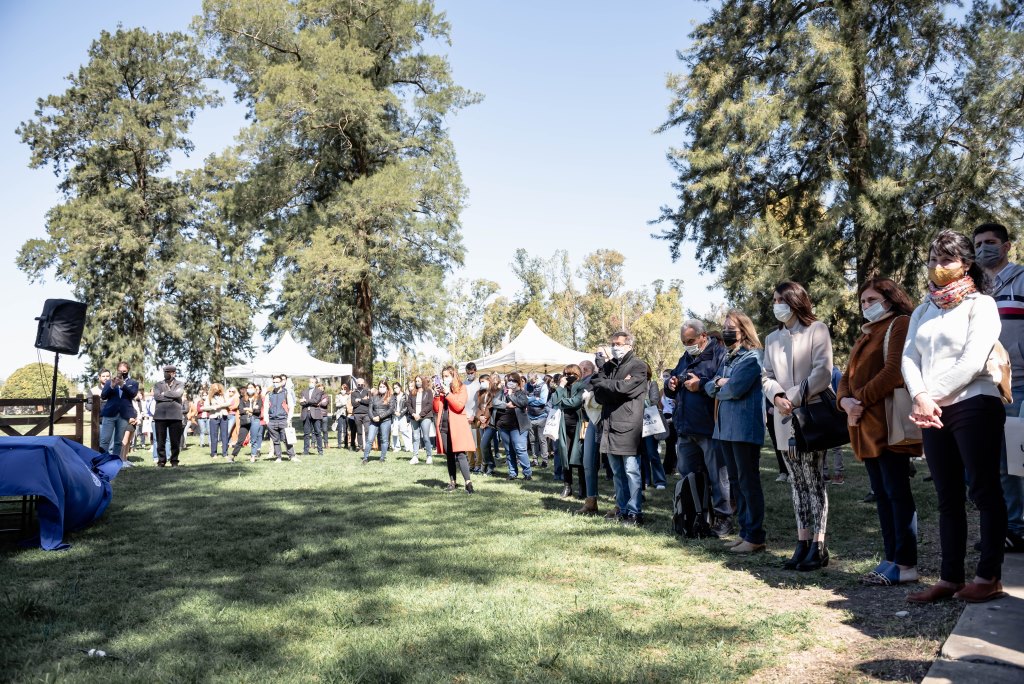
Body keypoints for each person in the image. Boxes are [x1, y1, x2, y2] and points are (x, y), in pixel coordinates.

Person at [904, 230, 1008, 603]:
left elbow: (973, 359)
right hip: (932, 410)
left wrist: (928, 397)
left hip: (973, 403)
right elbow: (909, 357)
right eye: (932, 259)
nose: (937, 267)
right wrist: (920, 396)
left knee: (983, 490)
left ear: (965, 264)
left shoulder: (981, 305)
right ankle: (949, 578)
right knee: (947, 495)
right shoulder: (923, 310)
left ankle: (988, 575)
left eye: (946, 260)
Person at [837, 278, 922, 585]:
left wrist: (858, 400)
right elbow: (846, 376)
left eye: (871, 299)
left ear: (890, 298)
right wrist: (845, 402)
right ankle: (890, 559)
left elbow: (895, 370)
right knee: (882, 496)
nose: (865, 306)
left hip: (889, 425)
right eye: (862, 302)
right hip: (865, 427)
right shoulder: (866, 334)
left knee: (898, 494)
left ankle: (907, 563)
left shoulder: (900, 323)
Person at [762, 281, 835, 571]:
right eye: (774, 299)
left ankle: (818, 544)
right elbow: (765, 374)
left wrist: (790, 397)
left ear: (795, 300)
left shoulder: (817, 329)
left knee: (813, 479)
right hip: (782, 418)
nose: (776, 304)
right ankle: (802, 540)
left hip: (810, 415)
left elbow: (823, 372)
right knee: (796, 481)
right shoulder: (771, 338)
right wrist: (776, 395)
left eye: (781, 298)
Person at [974, 222, 1024, 553]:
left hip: (1019, 384)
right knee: (995, 460)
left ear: (1006, 246)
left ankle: (1017, 526)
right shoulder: (973, 286)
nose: (983, 249)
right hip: (983, 385)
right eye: (977, 244)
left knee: (1017, 457)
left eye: (990, 242)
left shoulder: (1021, 279)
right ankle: (1009, 526)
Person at [706, 310, 767, 554]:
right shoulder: (727, 358)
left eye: (730, 326)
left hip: (744, 429)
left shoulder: (753, 357)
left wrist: (722, 385)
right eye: (724, 326)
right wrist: (720, 385)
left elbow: (737, 389)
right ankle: (744, 532)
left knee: (748, 482)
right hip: (724, 429)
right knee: (735, 483)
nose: (726, 330)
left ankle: (755, 535)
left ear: (743, 329)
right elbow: (711, 385)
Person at [664, 320, 732, 535]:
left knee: (718, 478)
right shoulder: (685, 358)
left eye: (691, 341)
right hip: (685, 428)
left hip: (711, 428)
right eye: (684, 341)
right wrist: (670, 385)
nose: (687, 345)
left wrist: (700, 384)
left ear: (704, 336)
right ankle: (695, 515)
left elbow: (724, 384)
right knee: (689, 475)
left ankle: (723, 517)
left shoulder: (720, 355)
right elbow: (672, 386)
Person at [591, 331, 648, 526]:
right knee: (617, 472)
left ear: (629, 345)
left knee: (632, 471)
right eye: (613, 343)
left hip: (629, 426)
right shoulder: (608, 366)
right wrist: (613, 385)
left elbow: (626, 389)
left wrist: (609, 386)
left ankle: (635, 512)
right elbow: (598, 393)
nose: (615, 347)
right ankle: (622, 509)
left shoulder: (639, 365)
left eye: (619, 343)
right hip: (609, 424)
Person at [434, 365, 476, 492]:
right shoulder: (442, 390)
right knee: (450, 455)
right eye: (443, 376)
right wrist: (437, 395)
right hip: (444, 426)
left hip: (457, 426)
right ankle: (452, 482)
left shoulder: (462, 388)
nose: (444, 378)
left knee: (461, 454)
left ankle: (468, 483)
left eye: (446, 376)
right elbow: (436, 408)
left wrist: (447, 393)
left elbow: (458, 406)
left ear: (453, 376)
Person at [551, 364, 587, 499]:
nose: (569, 376)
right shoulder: (562, 387)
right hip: (563, 425)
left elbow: (575, 402)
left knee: (579, 457)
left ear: (578, 375)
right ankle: (567, 486)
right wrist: (560, 387)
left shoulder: (582, 386)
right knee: (565, 456)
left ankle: (582, 488)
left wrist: (562, 402)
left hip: (578, 425)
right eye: (566, 374)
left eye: (572, 374)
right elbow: (554, 401)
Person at [494, 372, 532, 480]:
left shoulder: (521, 393)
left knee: (520, 449)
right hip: (503, 425)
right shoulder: (502, 392)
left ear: (518, 382)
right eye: (509, 380)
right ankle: (512, 473)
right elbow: (494, 402)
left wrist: (510, 395)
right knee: (509, 450)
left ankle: (527, 473)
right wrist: (506, 405)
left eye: (513, 380)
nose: (511, 382)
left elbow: (523, 403)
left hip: (518, 426)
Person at [99, 360, 139, 460]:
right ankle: (102, 460)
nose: (122, 373)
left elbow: (133, 394)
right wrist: (112, 386)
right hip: (110, 413)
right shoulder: (109, 382)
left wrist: (122, 385)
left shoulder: (133, 383)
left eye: (124, 371)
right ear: (117, 370)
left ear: (128, 370)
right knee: (105, 439)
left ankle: (115, 461)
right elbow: (103, 396)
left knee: (118, 440)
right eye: (120, 371)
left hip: (124, 415)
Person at [640, 365, 668, 490]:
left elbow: (654, 400)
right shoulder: (631, 384)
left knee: (652, 453)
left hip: (649, 421)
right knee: (641, 454)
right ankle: (646, 480)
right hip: (635, 423)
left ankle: (660, 480)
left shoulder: (652, 384)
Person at [152, 365, 186, 467]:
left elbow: (178, 395)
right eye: (165, 371)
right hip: (160, 416)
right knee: (160, 441)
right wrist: (171, 397)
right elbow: (157, 397)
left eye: (169, 372)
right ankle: (161, 461)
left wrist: (164, 394)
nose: (166, 373)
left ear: (174, 373)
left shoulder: (180, 384)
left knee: (175, 441)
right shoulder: (158, 384)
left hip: (175, 416)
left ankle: (174, 461)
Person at [263, 374, 299, 463]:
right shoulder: (269, 394)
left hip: (283, 420)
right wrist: (267, 420)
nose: (275, 383)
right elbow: (266, 407)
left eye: (277, 382)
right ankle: (278, 457)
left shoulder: (286, 393)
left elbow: (291, 407)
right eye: (274, 382)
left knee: (287, 439)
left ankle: (292, 456)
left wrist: (288, 419)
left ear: (281, 382)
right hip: (272, 421)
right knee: (275, 440)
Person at [363, 380, 396, 463]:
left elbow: (390, 410)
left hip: (385, 420)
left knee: (384, 440)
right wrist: (373, 417)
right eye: (380, 387)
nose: (382, 388)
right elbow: (370, 409)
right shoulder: (373, 397)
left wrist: (380, 417)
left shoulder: (391, 397)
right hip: (374, 421)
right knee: (370, 439)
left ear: (387, 388)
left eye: (383, 387)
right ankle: (365, 458)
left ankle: (382, 457)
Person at [406, 376, 435, 465]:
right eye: (416, 381)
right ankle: (415, 456)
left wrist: (420, 414)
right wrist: (413, 414)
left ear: (423, 381)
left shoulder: (428, 392)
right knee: (415, 436)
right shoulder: (412, 392)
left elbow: (430, 405)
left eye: (419, 380)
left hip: (425, 417)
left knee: (425, 437)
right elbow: (408, 404)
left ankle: (429, 456)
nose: (417, 382)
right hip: (414, 417)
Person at [232, 382, 263, 463]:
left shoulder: (258, 399)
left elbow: (258, 410)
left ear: (254, 389)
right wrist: (249, 410)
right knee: (240, 439)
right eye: (248, 387)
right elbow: (241, 410)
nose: (250, 389)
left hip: (255, 419)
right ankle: (233, 456)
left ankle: (253, 456)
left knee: (254, 439)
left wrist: (248, 409)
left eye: (251, 387)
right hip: (245, 420)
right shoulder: (242, 399)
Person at [525, 372, 550, 469]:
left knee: (542, 440)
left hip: (541, 416)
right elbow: (525, 399)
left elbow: (543, 401)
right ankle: (535, 460)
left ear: (536, 378)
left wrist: (530, 400)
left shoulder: (543, 386)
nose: (532, 384)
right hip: (530, 416)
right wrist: (534, 398)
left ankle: (545, 460)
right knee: (532, 440)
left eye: (533, 382)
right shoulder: (527, 385)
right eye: (530, 382)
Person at [300, 376, 327, 456]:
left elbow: (316, 401)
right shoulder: (304, 391)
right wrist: (307, 402)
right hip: (306, 413)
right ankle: (305, 451)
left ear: (315, 383)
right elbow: (301, 403)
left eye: (312, 382)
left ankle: (320, 451)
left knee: (318, 432)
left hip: (315, 413)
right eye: (310, 382)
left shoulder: (319, 391)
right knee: (306, 433)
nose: (310, 383)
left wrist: (306, 401)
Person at [205, 384, 230, 458]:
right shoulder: (209, 396)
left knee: (224, 435)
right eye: (215, 388)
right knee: (213, 436)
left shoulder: (224, 395)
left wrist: (220, 405)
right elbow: (206, 407)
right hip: (213, 417)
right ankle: (214, 453)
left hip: (223, 416)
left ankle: (225, 453)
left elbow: (229, 403)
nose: (216, 390)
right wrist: (212, 407)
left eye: (218, 388)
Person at [350, 378, 371, 452]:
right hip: (357, 414)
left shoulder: (368, 392)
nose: (360, 385)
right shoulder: (353, 393)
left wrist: (359, 400)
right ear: (356, 384)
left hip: (366, 414)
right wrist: (363, 400)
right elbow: (353, 404)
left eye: (361, 384)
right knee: (359, 431)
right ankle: (360, 446)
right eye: (358, 384)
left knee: (367, 430)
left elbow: (369, 402)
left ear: (364, 384)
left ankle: (368, 446)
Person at [334, 383, 351, 449]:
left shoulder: (348, 396)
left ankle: (346, 444)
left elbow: (349, 404)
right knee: (340, 429)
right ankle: (339, 444)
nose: (343, 390)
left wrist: (346, 405)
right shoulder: (338, 396)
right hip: (340, 414)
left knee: (346, 429)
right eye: (342, 389)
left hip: (347, 413)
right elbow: (337, 404)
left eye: (345, 388)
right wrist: (343, 404)